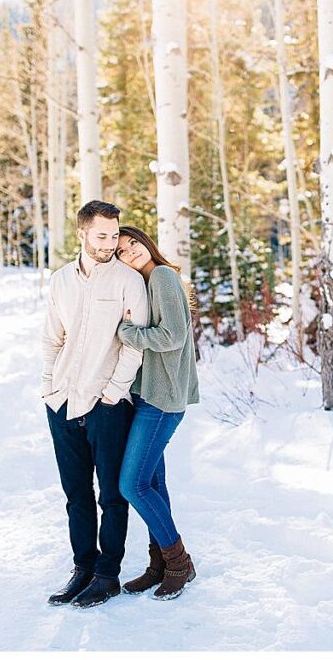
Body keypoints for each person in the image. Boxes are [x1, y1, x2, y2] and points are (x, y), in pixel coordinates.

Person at [41, 201, 149, 608]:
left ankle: (108, 574)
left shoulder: (127, 281)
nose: (109, 243)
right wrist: (49, 389)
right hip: (62, 403)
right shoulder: (61, 281)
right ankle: (82, 568)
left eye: (114, 234)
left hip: (107, 405)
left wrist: (112, 392)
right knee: (76, 495)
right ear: (83, 234)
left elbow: (133, 344)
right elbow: (52, 338)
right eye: (101, 235)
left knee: (111, 496)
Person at [114, 226, 199, 600]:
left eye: (133, 243)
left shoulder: (163, 276)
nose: (130, 251)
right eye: (121, 251)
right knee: (153, 484)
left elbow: (172, 337)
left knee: (131, 484)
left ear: (146, 243)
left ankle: (179, 562)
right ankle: (158, 564)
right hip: (149, 396)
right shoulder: (145, 284)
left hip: (162, 401)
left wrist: (125, 332)